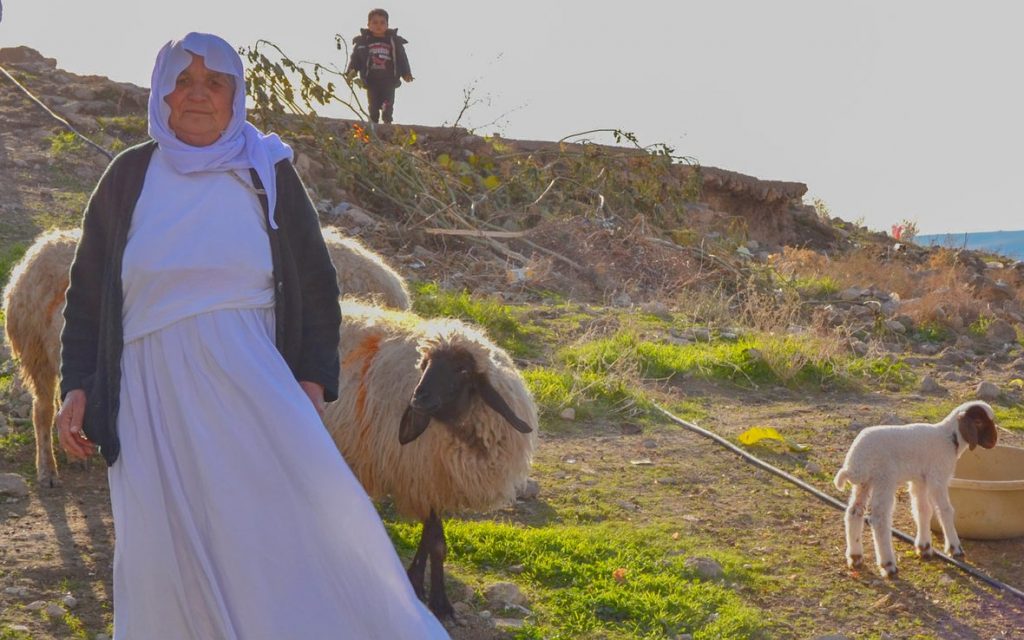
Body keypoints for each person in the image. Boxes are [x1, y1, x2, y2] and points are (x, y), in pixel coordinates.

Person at [55, 32, 449, 639]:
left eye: (214, 82)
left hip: (252, 388)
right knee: (165, 544)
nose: (197, 95)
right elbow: (89, 293)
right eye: (182, 81)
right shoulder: (129, 176)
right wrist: (76, 385)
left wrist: (314, 380)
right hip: (150, 397)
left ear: (235, 95)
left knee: (274, 530)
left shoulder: (266, 172)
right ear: (161, 91)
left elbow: (317, 283)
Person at [344, 7, 414, 124]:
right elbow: (356, 59)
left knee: (388, 102)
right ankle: (373, 122)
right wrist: (351, 72)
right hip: (371, 79)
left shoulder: (394, 41)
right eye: (375, 22)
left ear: (387, 25)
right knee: (373, 104)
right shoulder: (363, 42)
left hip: (389, 79)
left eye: (382, 22)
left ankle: (387, 121)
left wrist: (406, 73)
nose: (378, 25)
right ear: (368, 25)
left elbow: (402, 58)